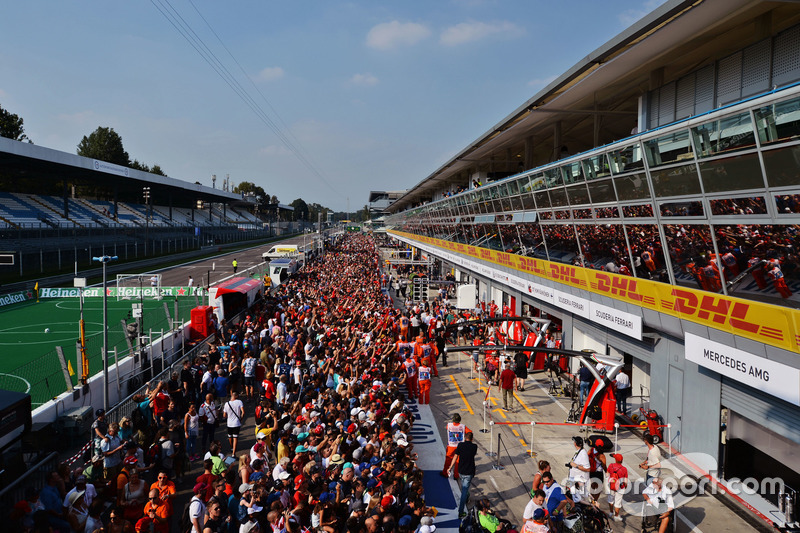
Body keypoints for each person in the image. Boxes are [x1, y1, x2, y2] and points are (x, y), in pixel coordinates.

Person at [446, 430, 478, 518]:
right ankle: (461, 511)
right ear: (472, 439)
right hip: (469, 471)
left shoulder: (460, 445)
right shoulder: (474, 446)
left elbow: (455, 456)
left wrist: (450, 467)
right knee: (464, 490)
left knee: (464, 487)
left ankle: (466, 495)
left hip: (461, 471)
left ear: (465, 438)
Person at [440, 413, 469, 480]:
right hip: (460, 446)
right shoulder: (463, 426)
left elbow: (448, 428)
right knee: (458, 461)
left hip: (451, 446)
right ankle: (456, 475)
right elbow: (470, 432)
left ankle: (445, 473)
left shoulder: (449, 425)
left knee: (448, 460)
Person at [606, 454, 628, 522]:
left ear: (615, 460)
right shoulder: (624, 469)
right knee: (617, 502)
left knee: (610, 499)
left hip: (611, 486)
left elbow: (607, 475)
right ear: (622, 460)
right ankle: (616, 516)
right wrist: (625, 486)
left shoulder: (611, 465)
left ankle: (611, 512)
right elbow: (625, 480)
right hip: (620, 487)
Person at [222, 390, 245, 455]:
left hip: (229, 423)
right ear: (236, 396)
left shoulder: (226, 404)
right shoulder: (239, 402)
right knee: (235, 437)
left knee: (230, 436)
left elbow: (224, 415)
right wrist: (241, 419)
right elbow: (243, 412)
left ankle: (232, 447)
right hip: (237, 423)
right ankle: (233, 452)